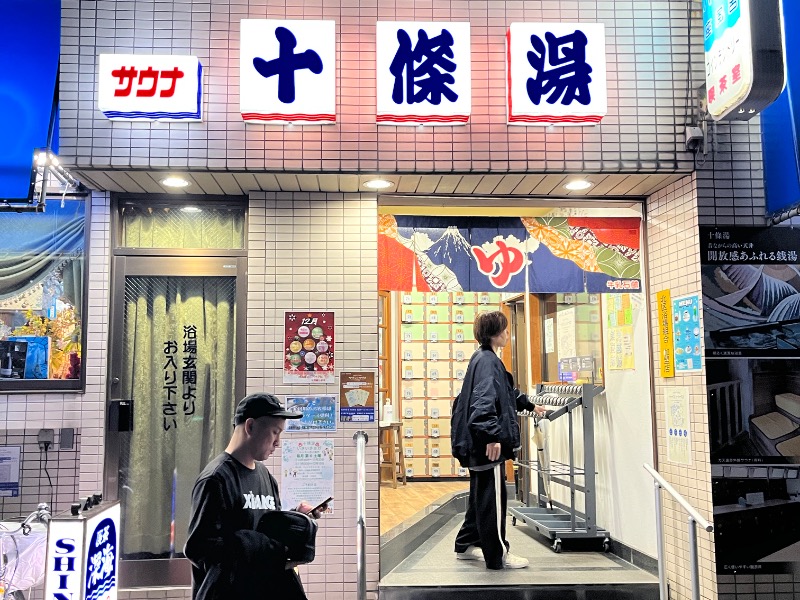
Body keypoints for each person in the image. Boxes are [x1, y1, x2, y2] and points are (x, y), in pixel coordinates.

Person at [185, 393, 326, 600]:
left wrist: (295, 519)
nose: (278, 442)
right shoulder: (216, 479)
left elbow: (263, 528)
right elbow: (199, 548)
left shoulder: (266, 477)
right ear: (250, 427)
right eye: (275, 432)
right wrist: (267, 548)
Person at [451, 310, 547, 570]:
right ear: (494, 333)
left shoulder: (484, 358)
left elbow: (504, 392)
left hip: (476, 443)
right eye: (504, 329)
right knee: (493, 501)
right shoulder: (488, 361)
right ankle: (497, 555)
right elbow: (483, 402)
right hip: (486, 445)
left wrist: (530, 405)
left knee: (481, 498)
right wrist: (492, 437)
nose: (507, 333)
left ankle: (466, 545)